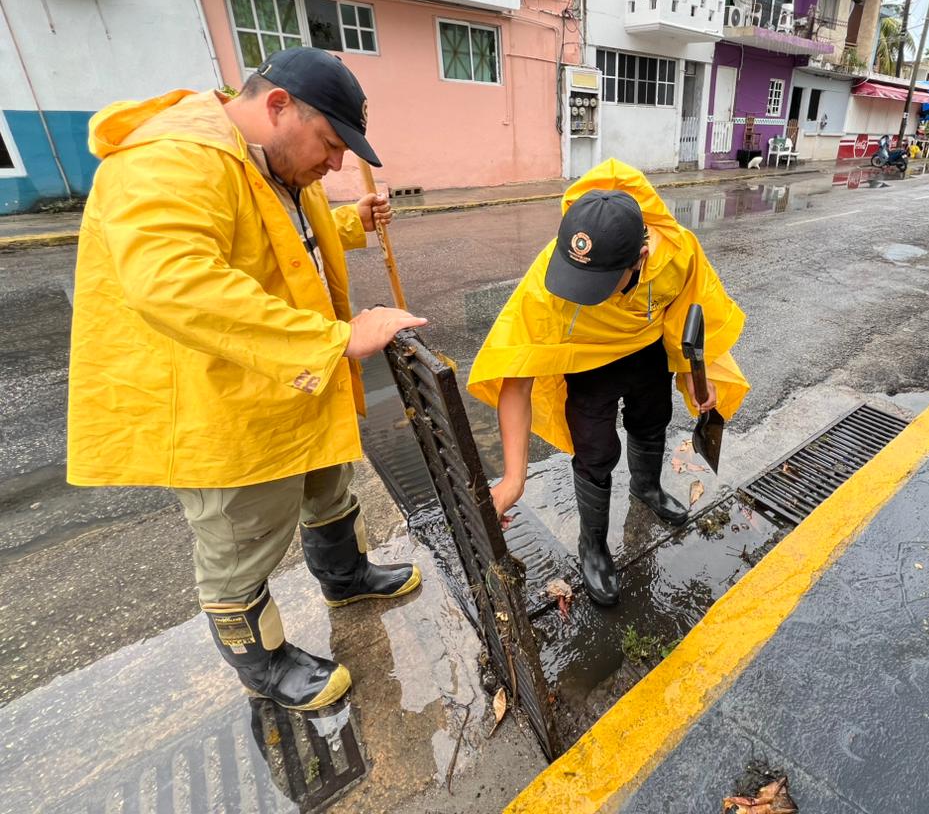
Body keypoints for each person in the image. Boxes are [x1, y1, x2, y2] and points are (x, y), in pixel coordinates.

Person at [66, 48, 428, 711]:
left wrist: (350, 224)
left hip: (293, 381)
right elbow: (177, 285)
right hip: (225, 403)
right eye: (330, 144)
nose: (337, 164)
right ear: (278, 106)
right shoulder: (173, 157)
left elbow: (280, 240)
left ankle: (344, 577)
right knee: (240, 540)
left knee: (329, 487)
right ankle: (261, 664)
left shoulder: (269, 157)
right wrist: (338, 339)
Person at [468, 160, 749, 606]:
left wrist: (704, 372)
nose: (579, 289)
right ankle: (593, 546)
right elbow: (515, 376)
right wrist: (514, 479)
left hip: (646, 350)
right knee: (595, 449)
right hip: (587, 362)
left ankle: (647, 487)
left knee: (652, 418)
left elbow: (697, 314)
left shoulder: (677, 255)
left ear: (640, 258)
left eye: (596, 282)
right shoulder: (548, 279)